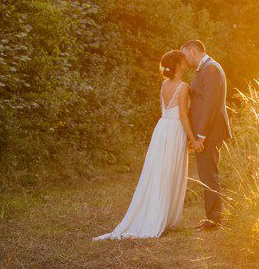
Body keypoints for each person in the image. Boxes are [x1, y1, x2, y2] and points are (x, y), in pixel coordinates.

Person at [94, 50, 195, 240]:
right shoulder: (183, 87)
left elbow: (167, 110)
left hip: (162, 128)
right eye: (183, 60)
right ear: (178, 65)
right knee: (169, 171)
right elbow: (183, 115)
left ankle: (159, 213)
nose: (185, 62)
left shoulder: (164, 84)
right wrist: (192, 139)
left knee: (158, 171)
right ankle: (160, 217)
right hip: (174, 131)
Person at [181, 39, 231, 230]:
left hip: (210, 132)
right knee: (206, 174)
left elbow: (209, 105)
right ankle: (212, 218)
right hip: (207, 132)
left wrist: (200, 135)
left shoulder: (211, 69)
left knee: (209, 174)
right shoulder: (206, 69)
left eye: (185, 54)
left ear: (193, 51)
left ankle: (214, 221)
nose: (184, 59)